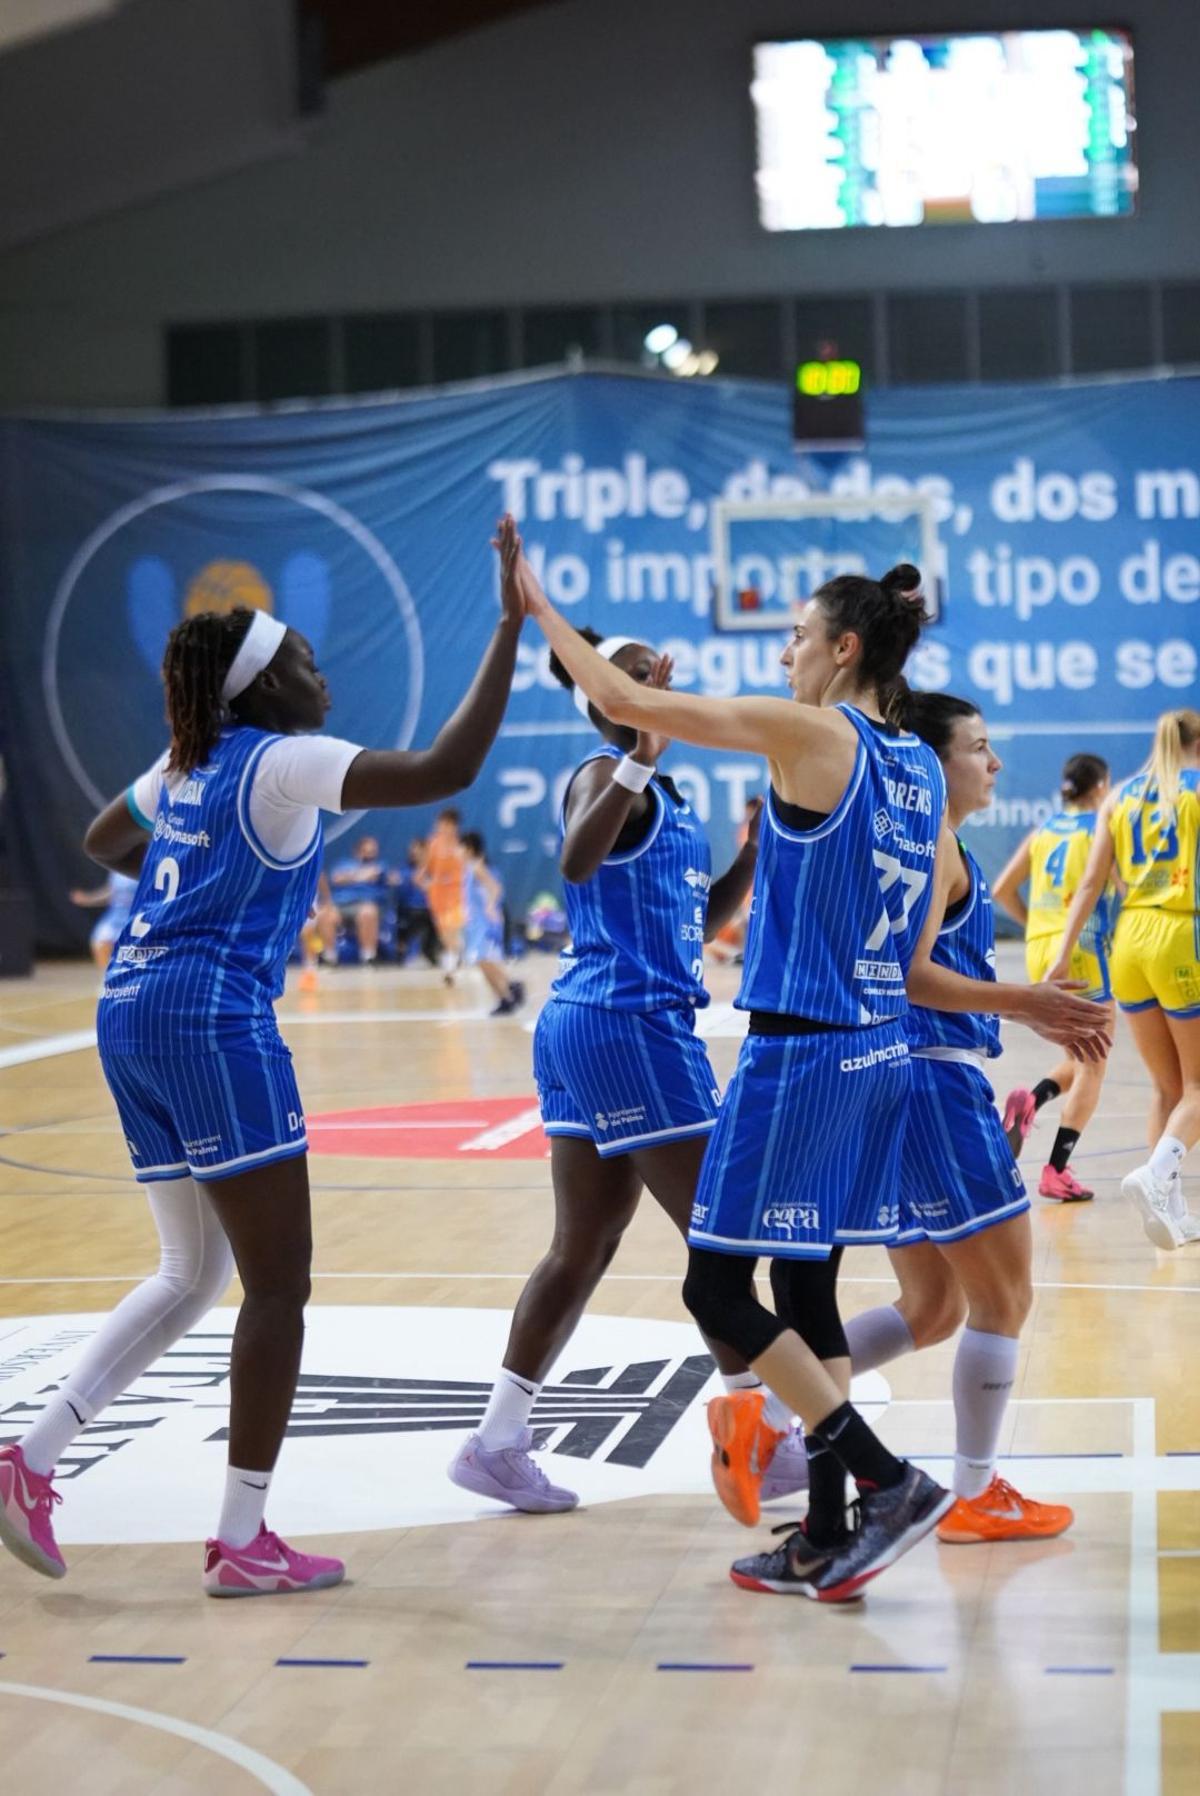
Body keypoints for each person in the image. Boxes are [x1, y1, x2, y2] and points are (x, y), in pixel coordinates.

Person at [517, 553, 1106, 1601]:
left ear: (844, 648)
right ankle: (826, 1533)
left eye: (797, 633)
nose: (784, 650)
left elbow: (622, 699)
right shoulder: (917, 768)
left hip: (802, 1052)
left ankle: (885, 1480)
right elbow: (911, 952)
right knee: (806, 1288)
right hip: (879, 1048)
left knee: (713, 1287)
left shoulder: (813, 734)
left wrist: (536, 605)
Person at [0, 517, 527, 1594]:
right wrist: (511, 626)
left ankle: (29, 1458)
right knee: (278, 1285)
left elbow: (105, 837)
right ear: (263, 685)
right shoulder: (286, 761)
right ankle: (241, 1539)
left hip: (129, 1008)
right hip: (209, 1018)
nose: (320, 675)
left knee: (192, 1272)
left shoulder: (187, 763)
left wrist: (198, 871)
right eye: (304, 660)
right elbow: (448, 765)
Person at [449, 628, 804, 1515]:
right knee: (721, 1240)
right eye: (637, 674)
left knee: (583, 1246)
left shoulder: (665, 797)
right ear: (602, 696)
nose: (657, 680)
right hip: (630, 1028)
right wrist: (639, 758)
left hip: (590, 1024)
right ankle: (761, 1440)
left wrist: (750, 861)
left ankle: (496, 1441)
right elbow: (575, 859)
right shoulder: (604, 773)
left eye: (657, 670)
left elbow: (694, 922)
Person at [838, 692, 1073, 1547]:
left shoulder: (916, 841)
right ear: (933, 766)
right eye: (978, 747)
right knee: (1003, 1297)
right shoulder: (934, 843)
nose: (995, 762)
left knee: (931, 1305)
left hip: (906, 1084)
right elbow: (909, 975)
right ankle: (976, 1496)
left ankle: (779, 1412)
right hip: (932, 1082)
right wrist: (1028, 1001)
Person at [1047, 708, 1200, 1249]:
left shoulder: (1120, 796)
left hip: (1129, 941)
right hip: (1182, 932)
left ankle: (1169, 1209)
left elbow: (1091, 883)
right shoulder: (1195, 792)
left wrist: (1061, 955)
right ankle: (1157, 1176)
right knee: (1198, 1087)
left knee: (1167, 1087)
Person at [992, 753, 1116, 1200]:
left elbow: (1001, 889)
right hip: (1081, 947)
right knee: (1095, 1064)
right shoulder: (1101, 829)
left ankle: (1032, 1100)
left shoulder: (1044, 831)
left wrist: (1034, 926)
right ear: (1100, 787)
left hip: (1040, 947)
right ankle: (1056, 1170)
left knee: (1080, 1057)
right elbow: (1116, 886)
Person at [460, 830, 524, 1016]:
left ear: (469, 848)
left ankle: (511, 985)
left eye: (460, 847)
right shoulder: (469, 868)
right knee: (481, 961)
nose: (457, 851)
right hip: (475, 924)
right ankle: (504, 997)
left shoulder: (477, 867)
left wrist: (490, 906)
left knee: (483, 959)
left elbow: (495, 888)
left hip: (485, 923)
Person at [323, 834, 391, 965]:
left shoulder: (380, 865)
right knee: (325, 914)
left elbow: (380, 875)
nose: (371, 854)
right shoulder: (343, 863)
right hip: (341, 904)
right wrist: (362, 876)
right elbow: (337, 878)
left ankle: (368, 956)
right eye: (367, 851)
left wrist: (349, 877)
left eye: (373, 851)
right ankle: (329, 957)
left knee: (368, 912)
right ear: (358, 850)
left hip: (365, 904)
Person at [419, 808, 466, 981]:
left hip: (457, 893)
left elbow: (469, 870)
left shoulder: (461, 846)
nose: (444, 828)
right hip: (438, 896)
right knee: (444, 933)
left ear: (455, 826)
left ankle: (451, 966)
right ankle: (455, 957)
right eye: (441, 824)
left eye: (448, 824)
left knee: (454, 927)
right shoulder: (432, 845)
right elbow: (424, 870)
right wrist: (425, 884)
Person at [69, 871, 138, 974]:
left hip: (136, 914)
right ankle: (108, 977)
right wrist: (88, 899)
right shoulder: (117, 872)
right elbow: (111, 892)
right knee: (100, 942)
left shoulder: (146, 869)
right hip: (115, 914)